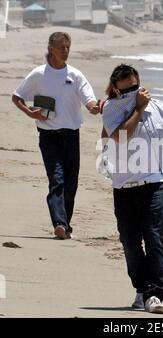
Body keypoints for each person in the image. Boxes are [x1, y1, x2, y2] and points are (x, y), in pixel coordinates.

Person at [102, 64, 163, 314]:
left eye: (136, 89)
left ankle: (154, 295)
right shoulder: (111, 108)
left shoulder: (160, 108)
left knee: (154, 239)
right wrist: (138, 107)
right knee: (129, 243)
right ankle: (141, 287)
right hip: (124, 186)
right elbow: (120, 136)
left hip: (154, 184)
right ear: (116, 90)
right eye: (126, 91)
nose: (133, 94)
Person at [12, 32, 99, 240]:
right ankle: (59, 223)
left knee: (71, 183)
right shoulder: (39, 74)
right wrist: (29, 112)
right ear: (51, 48)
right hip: (48, 135)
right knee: (57, 179)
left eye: (68, 47)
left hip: (71, 135)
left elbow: (89, 100)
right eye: (61, 47)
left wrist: (94, 107)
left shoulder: (75, 75)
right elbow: (17, 96)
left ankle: (65, 225)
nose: (65, 51)